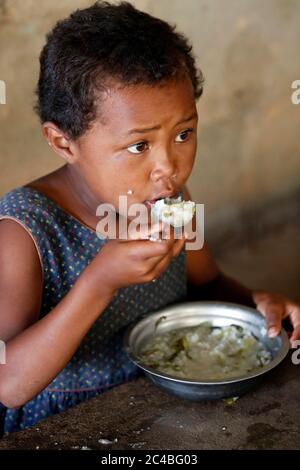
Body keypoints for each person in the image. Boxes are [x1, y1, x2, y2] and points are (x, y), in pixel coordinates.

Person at [0, 1, 299, 434]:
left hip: (163, 403)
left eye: (183, 134)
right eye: (139, 146)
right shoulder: (25, 232)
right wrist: (99, 282)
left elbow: (209, 284)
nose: (169, 167)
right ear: (64, 144)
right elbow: (9, 384)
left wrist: (256, 306)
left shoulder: (172, 198)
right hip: (61, 427)